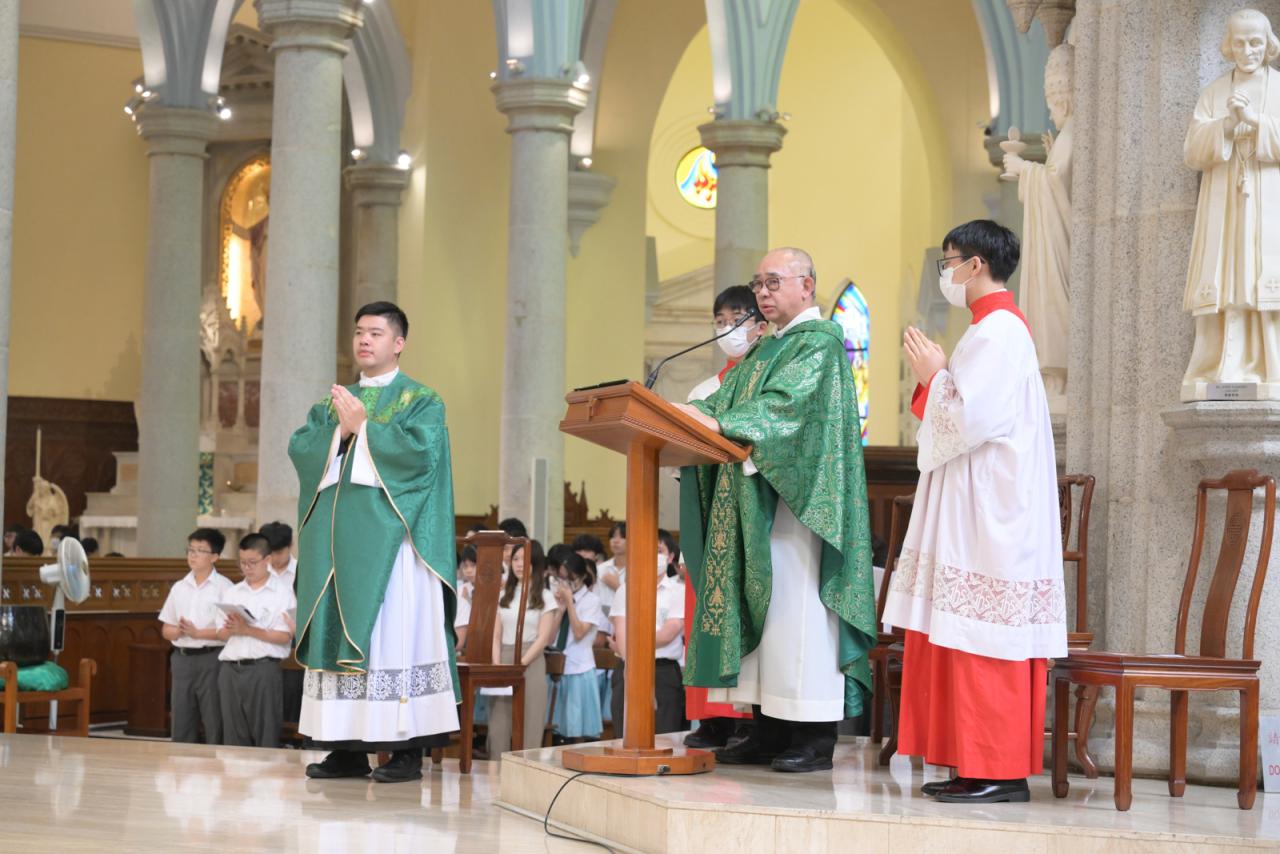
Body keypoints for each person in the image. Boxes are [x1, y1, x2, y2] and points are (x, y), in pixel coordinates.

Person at [674, 247, 878, 773]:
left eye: (773, 282)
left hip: (801, 509)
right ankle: (768, 729)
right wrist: (688, 414)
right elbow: (727, 403)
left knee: (799, 616)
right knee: (768, 616)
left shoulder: (819, 343)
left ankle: (812, 736)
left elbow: (786, 407)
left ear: (806, 286)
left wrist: (722, 423)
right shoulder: (767, 347)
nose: (762, 293)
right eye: (758, 284)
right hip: (760, 501)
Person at [885, 220, 1065, 804]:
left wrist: (933, 377)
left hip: (992, 511)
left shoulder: (999, 332)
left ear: (977, 264)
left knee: (985, 639)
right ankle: (973, 763)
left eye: (949, 262)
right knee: (964, 635)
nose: (946, 273)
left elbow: (970, 420)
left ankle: (1000, 770)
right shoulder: (988, 330)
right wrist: (938, 380)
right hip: (977, 503)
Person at [291, 301, 460, 784]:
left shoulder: (422, 400)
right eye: (359, 332)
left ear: (399, 343)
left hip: (394, 547)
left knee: (393, 641)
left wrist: (365, 429)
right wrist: (338, 435)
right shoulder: (333, 402)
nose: (364, 340)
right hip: (335, 546)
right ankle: (346, 750)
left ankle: (405, 750)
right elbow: (303, 449)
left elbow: (421, 460)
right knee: (338, 633)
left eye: (376, 333)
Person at [683, 284, 766, 750]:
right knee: (705, 615)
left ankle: (753, 720)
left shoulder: (768, 385)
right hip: (710, 518)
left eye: (736, 319)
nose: (727, 330)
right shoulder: (704, 391)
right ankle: (712, 719)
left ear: (760, 324)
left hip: (749, 520)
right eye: (719, 322)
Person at [215, 534, 296, 748]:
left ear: (267, 560)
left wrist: (247, 629)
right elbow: (220, 635)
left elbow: (284, 636)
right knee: (233, 735)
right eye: (243, 563)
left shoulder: (282, 594)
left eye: (252, 562)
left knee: (265, 733)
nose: (247, 568)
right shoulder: (232, 592)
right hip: (230, 669)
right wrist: (232, 628)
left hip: (263, 669)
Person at [158, 528, 233, 744]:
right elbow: (166, 629)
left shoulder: (225, 587)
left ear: (215, 556)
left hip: (211, 658)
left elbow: (229, 631)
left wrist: (197, 633)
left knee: (213, 716)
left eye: (200, 550)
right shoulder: (179, 587)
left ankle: (216, 760)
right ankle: (180, 761)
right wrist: (180, 631)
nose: (193, 555)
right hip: (181, 658)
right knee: (181, 717)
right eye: (190, 549)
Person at [486, 540, 562, 754]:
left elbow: (543, 638)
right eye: (515, 559)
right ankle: (497, 771)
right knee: (498, 725)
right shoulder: (503, 595)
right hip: (504, 658)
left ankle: (528, 771)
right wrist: (497, 665)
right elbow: (495, 636)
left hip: (532, 661)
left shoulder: (545, 597)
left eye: (525, 560)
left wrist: (521, 664)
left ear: (535, 563)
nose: (519, 564)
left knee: (530, 723)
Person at [609, 529, 686, 736]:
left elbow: (667, 634)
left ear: (670, 557)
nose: (652, 555)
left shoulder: (678, 591)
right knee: (624, 736)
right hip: (627, 667)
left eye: (659, 550)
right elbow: (621, 631)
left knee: (665, 738)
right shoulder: (625, 589)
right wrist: (629, 662)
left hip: (663, 672)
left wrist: (631, 641)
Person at [551, 552, 605, 742]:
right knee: (555, 728)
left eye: (569, 578)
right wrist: (560, 611)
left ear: (581, 576)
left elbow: (579, 632)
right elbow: (550, 638)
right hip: (557, 667)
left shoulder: (592, 600)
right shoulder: (556, 599)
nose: (565, 583)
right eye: (561, 578)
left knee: (578, 728)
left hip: (579, 668)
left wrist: (570, 604)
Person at [258, 520, 302, 726]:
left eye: (279, 552)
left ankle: (290, 732)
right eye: (270, 552)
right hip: (262, 638)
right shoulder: (258, 571)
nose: (274, 558)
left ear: (290, 546)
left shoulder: (302, 572)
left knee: (292, 690)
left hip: (294, 640)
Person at [595, 522, 626, 614]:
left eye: (622, 537)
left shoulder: (639, 570)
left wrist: (617, 586)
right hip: (602, 619)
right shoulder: (601, 569)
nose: (615, 541)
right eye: (613, 537)